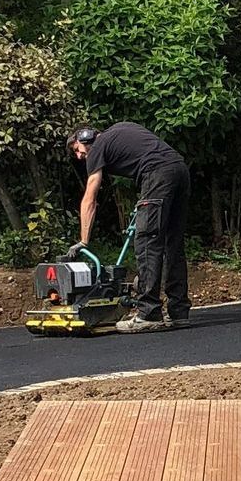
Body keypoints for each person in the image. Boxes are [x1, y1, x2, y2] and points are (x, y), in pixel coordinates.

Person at [67, 122, 190, 332]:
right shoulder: (122, 128)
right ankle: (179, 312)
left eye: (77, 150)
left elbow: (90, 198)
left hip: (156, 174)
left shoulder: (97, 147)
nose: (79, 156)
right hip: (179, 169)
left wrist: (83, 241)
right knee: (172, 244)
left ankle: (148, 313)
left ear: (85, 137)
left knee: (147, 242)